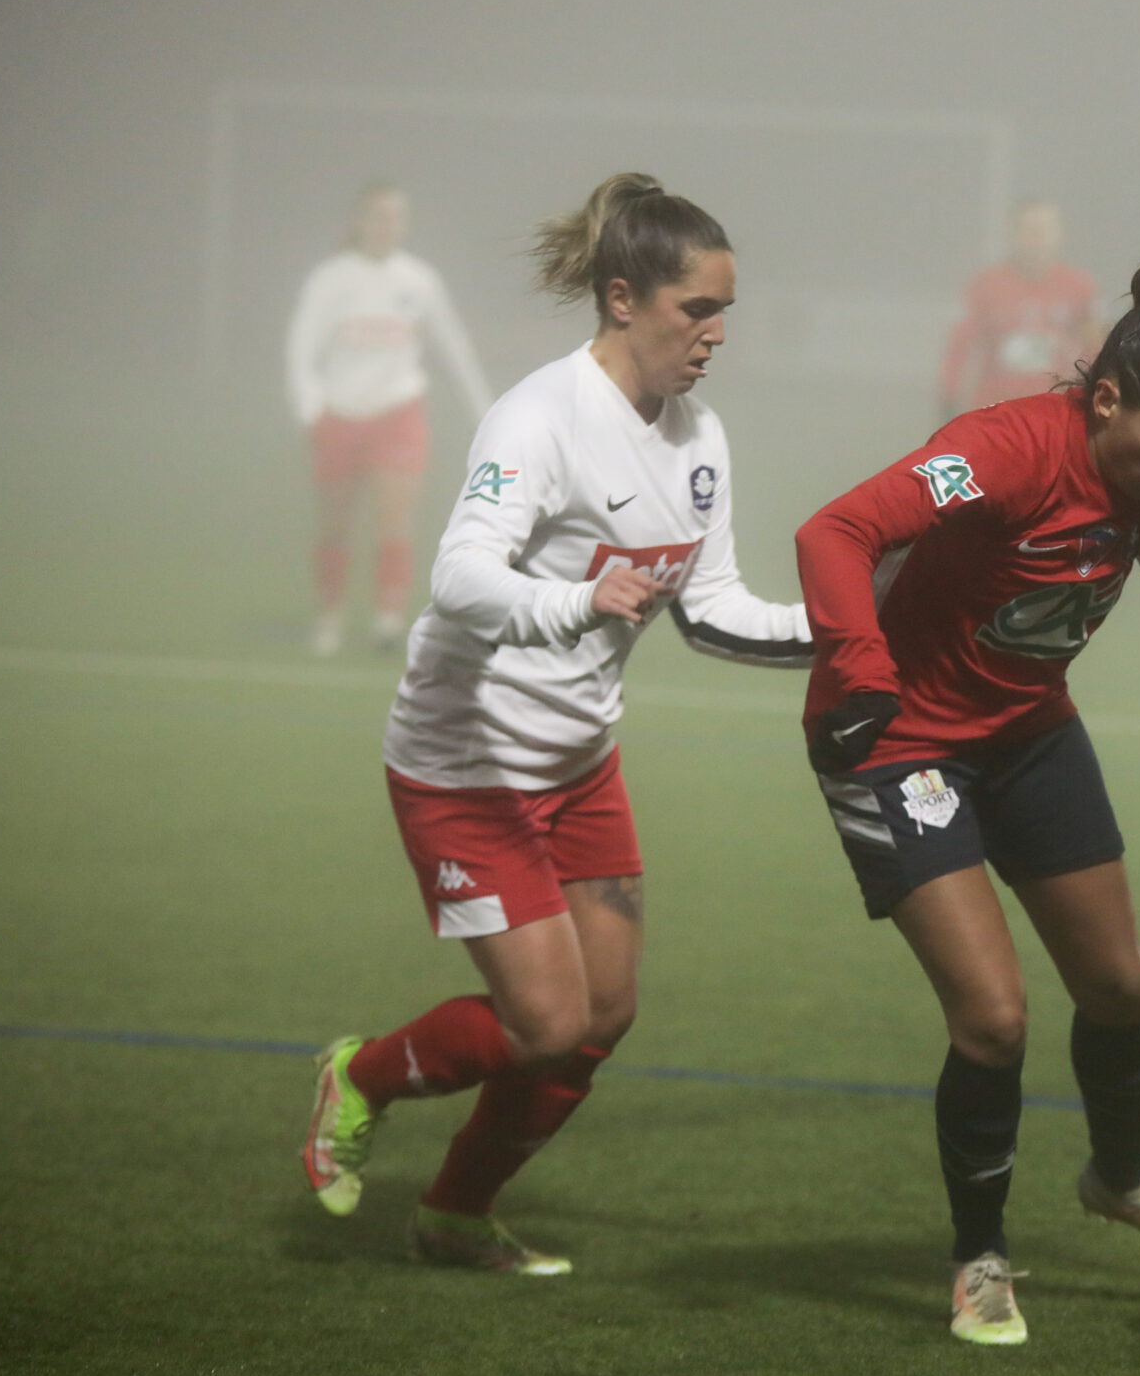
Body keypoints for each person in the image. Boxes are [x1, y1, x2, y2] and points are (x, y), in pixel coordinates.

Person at [300, 173, 813, 1274]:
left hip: (580, 764)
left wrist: (852, 631)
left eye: (727, 310)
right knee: (541, 1023)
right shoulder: (538, 418)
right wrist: (573, 602)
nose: (716, 333)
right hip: (464, 764)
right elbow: (460, 578)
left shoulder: (699, 437)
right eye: (698, 310)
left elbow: (716, 609)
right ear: (623, 298)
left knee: (603, 1015)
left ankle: (453, 1215)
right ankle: (361, 1075)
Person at [797, 262, 1140, 1345]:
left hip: (1028, 734)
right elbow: (835, 532)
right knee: (992, 1017)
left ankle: (1117, 1177)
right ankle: (979, 1258)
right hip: (895, 743)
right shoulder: (1001, 451)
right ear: (1108, 397)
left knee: (1120, 989)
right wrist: (860, 671)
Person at [287, 181, 495, 656]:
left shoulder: (418, 281)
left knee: (395, 518)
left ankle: (388, 617)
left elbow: (452, 343)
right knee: (336, 522)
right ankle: (331, 614)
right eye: (377, 216)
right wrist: (310, 405)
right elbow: (301, 345)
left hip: (399, 412)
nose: (387, 226)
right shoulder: (330, 279)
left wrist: (485, 409)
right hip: (340, 414)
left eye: (396, 217)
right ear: (358, 222)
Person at [935, 199, 1102, 420]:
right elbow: (960, 347)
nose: (1038, 238)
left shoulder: (1079, 286)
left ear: (1059, 233)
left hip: (1055, 411)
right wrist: (949, 397)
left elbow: (1095, 347)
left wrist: (1095, 394)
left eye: (1046, 229)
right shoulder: (985, 285)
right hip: (996, 410)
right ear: (1013, 234)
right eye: (1030, 230)